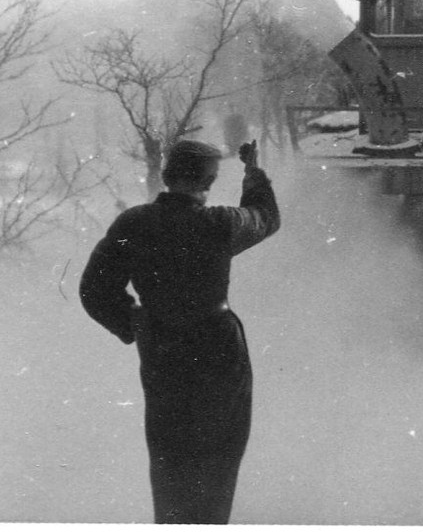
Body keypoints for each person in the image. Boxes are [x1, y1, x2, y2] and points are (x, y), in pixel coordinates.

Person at [80, 139, 280, 524]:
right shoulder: (219, 223)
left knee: (170, 462)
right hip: (220, 355)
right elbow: (265, 216)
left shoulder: (133, 223)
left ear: (169, 175)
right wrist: (253, 173)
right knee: (218, 464)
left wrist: (136, 323)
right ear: (207, 181)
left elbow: (94, 289)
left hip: (163, 354)